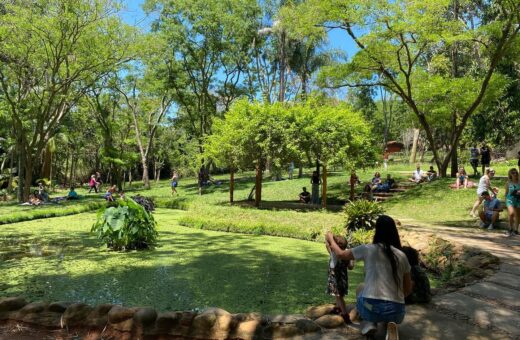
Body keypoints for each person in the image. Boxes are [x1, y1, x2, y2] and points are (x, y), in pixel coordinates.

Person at [326, 215, 412, 338]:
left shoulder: (367, 249)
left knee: (361, 288)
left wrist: (330, 238)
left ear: (377, 231)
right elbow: (408, 290)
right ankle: (390, 325)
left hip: (371, 308)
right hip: (397, 311)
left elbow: (340, 254)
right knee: (390, 305)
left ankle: (370, 323)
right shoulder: (402, 256)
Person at [325, 235, 355, 324]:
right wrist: (352, 259)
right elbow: (351, 267)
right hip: (343, 279)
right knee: (338, 295)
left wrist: (330, 238)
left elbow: (327, 244)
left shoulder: (334, 254)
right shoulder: (346, 253)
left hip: (336, 279)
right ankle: (338, 308)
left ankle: (345, 315)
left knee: (339, 296)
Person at [505, 168, 520, 236]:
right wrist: (506, 201)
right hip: (510, 200)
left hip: (518, 200)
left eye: (516, 172)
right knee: (511, 214)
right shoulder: (508, 183)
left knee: (517, 215)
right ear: (510, 174)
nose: (515, 174)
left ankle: (516, 230)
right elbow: (506, 193)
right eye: (513, 173)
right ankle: (510, 228)